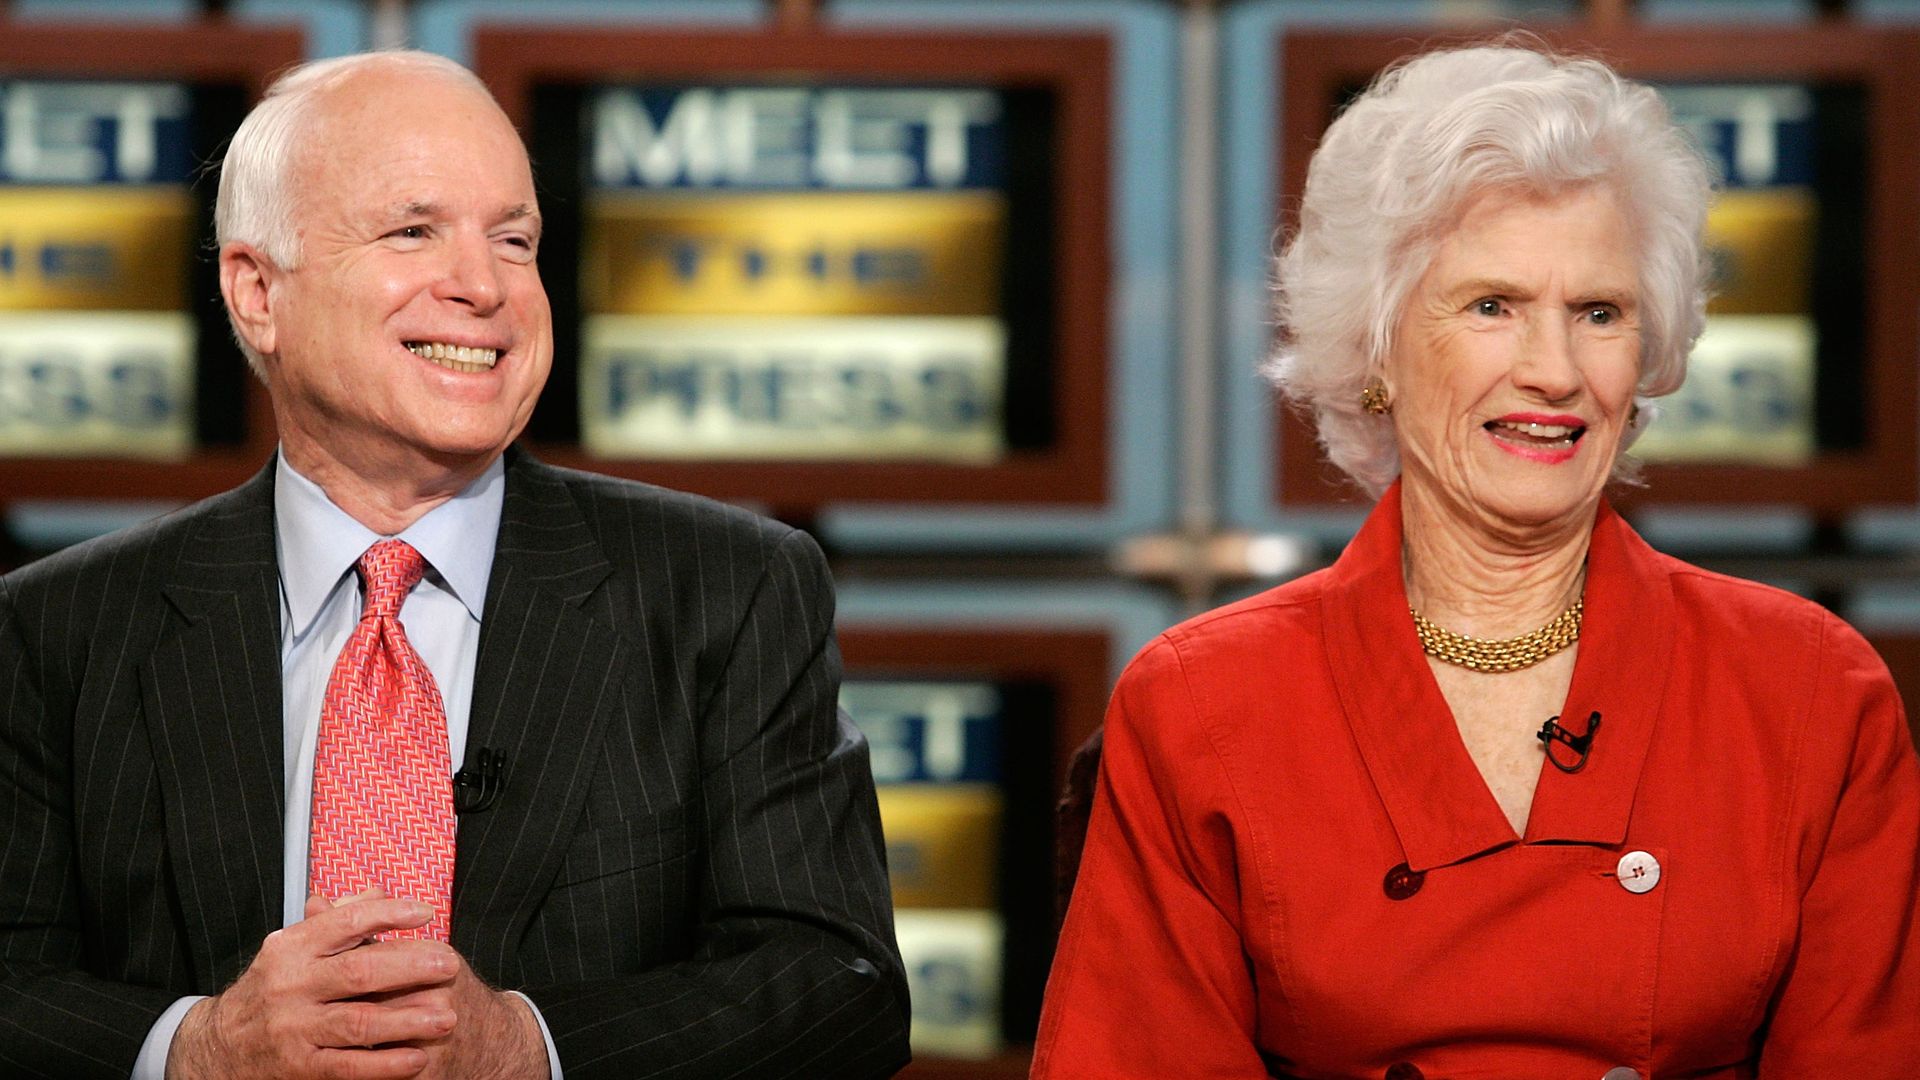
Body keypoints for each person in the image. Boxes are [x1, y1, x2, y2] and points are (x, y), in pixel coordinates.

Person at [0, 50, 908, 1080]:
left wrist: (530, 1047)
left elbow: (840, 985)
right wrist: (194, 1050)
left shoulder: (729, 592)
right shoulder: (55, 633)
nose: (484, 287)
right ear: (256, 292)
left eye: (514, 241)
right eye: (413, 231)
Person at [1034, 41, 1920, 1078]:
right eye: (1492, 306)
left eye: (1599, 313)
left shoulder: (1807, 689)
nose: (1553, 371)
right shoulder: (1202, 707)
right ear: (1376, 354)